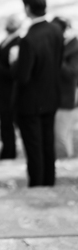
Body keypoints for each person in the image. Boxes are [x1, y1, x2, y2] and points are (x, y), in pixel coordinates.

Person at [10, 0, 63, 187]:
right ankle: (49, 181)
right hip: (51, 96)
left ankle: (38, 185)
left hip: (31, 102)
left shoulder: (29, 39)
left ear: (27, 8)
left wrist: (15, 62)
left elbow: (23, 76)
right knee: (47, 144)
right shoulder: (56, 30)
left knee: (34, 147)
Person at [0, 15, 22, 159]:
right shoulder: (7, 40)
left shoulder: (18, 42)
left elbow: (14, 71)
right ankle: (7, 149)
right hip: (1, 88)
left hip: (8, 89)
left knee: (8, 121)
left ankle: (10, 151)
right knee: (4, 121)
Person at [52, 17, 78, 159]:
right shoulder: (66, 45)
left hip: (68, 98)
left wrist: (56, 58)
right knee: (64, 134)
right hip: (62, 96)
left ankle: (64, 162)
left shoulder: (74, 47)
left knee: (60, 135)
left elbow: (72, 73)